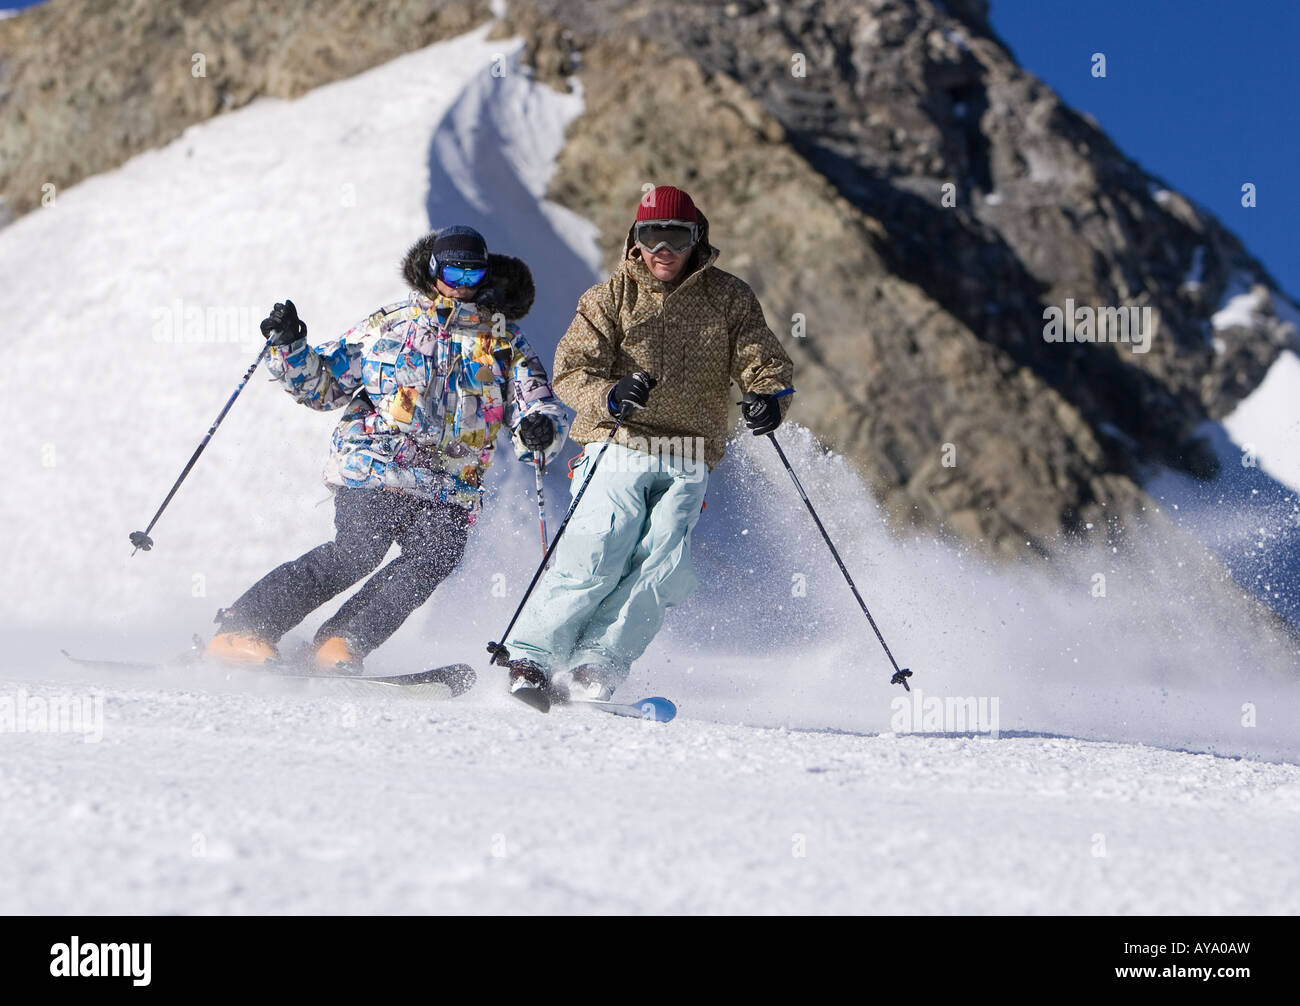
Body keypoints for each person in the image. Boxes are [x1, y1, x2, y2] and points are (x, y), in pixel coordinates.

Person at [207, 226, 567, 672]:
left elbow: (537, 404)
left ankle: (339, 644)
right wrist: (291, 347)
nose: (462, 285)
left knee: (432, 561)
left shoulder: (504, 341)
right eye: (453, 272)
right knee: (358, 551)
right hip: (378, 463)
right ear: (433, 271)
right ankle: (245, 626)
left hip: (452, 483)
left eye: (472, 275)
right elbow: (326, 386)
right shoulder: (393, 324)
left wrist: (540, 430)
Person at [501, 186, 794, 700]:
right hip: (620, 441)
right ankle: (533, 657)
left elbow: (766, 365)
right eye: (650, 236)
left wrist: (768, 399)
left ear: (695, 237)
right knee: (601, 546)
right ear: (635, 240)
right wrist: (610, 395)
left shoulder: (728, 297)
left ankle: (598, 663)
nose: (662, 249)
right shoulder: (608, 298)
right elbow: (571, 372)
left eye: (675, 236)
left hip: (691, 451)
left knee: (662, 566)